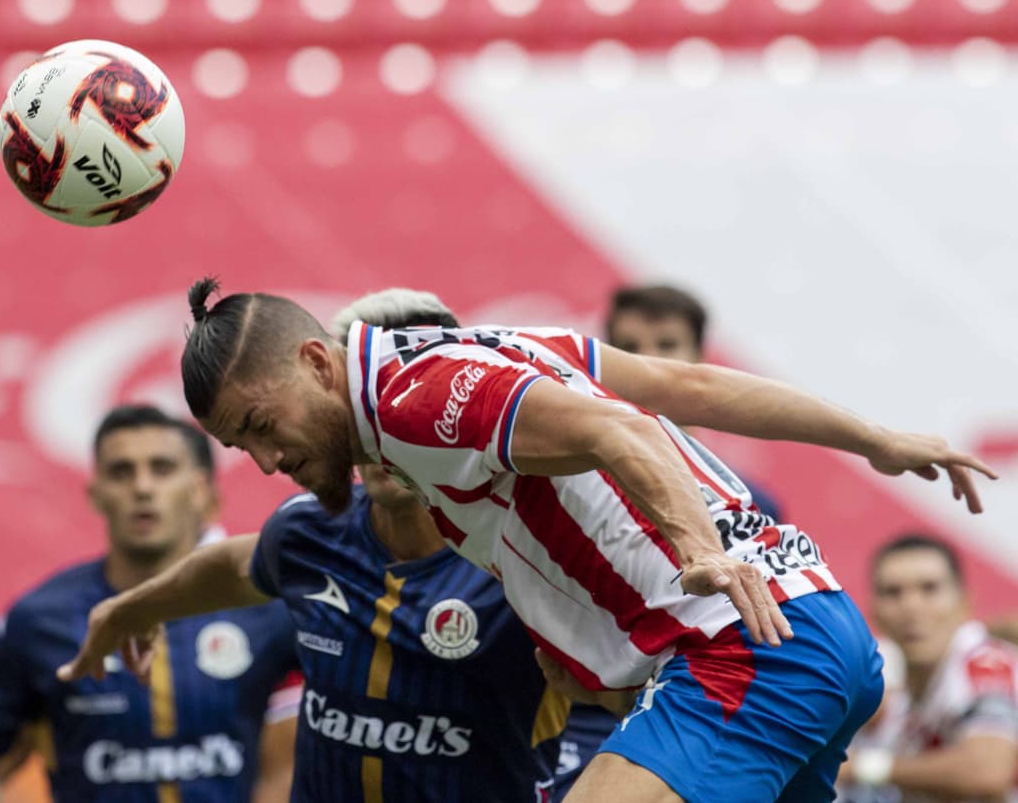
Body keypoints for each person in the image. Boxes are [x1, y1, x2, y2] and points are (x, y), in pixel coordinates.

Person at [142, 277, 996, 802]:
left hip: (745, 651)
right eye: (237, 447)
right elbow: (685, 384)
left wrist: (695, 547)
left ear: (320, 365)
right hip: (815, 626)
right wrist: (874, 438)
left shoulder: (415, 402)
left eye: (261, 424)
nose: (262, 460)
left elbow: (621, 431)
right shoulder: (495, 347)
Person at [59, 290, 618, 802]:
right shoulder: (307, 533)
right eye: (366, 402)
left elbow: (645, 682)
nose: (389, 424)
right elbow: (236, 566)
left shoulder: (531, 554)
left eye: (408, 401)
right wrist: (133, 608)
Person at [0, 405, 299, 803]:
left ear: (203, 491)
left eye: (162, 469)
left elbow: (288, 771)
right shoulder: (38, 619)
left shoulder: (271, 609)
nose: (142, 487)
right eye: (121, 471)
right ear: (95, 493)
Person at [840, 535, 1017, 802]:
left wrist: (863, 767)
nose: (911, 606)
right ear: (873, 611)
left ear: (964, 602)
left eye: (929, 589)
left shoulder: (986, 662)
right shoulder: (897, 706)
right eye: (893, 592)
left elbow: (987, 772)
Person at [605, 283, 784, 519]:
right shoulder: (575, 483)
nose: (647, 360)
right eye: (629, 347)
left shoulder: (752, 505)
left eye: (667, 345)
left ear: (700, 358)